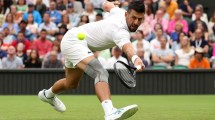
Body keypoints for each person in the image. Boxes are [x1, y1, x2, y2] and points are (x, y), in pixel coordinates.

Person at [38, 1, 145, 120]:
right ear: (126, 14)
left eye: (140, 19)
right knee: (100, 72)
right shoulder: (120, 32)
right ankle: (110, 112)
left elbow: (106, 5)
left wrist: (111, 3)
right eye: (133, 18)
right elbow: (128, 48)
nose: (136, 22)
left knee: (71, 83)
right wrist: (135, 58)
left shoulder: (119, 12)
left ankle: (47, 95)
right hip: (74, 41)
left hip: (75, 40)